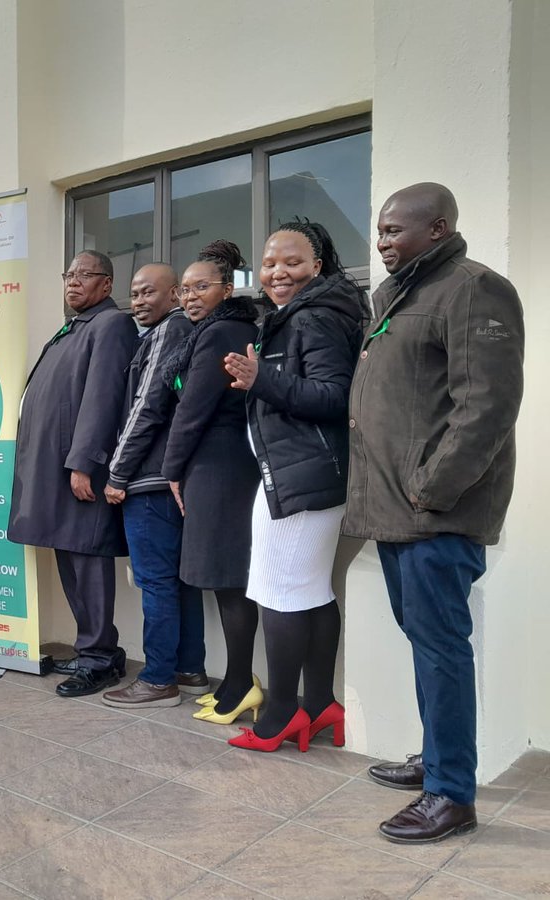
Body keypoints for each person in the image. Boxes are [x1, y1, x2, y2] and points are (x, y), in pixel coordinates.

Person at [343, 183, 524, 844]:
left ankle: (451, 793)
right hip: (399, 510)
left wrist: (431, 489)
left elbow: (487, 406)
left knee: (442, 648)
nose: (384, 242)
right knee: (429, 645)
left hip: (433, 514)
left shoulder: (473, 288)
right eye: (380, 231)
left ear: (438, 227)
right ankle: (438, 759)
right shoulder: (401, 296)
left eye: (395, 231)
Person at [221, 222, 364, 751]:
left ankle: (282, 713)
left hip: (301, 476)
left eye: (293, 262)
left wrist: (262, 380)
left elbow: (333, 396)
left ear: (318, 266)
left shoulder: (317, 317)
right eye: (270, 262)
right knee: (310, 592)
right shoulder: (290, 318)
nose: (278, 272)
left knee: (279, 594)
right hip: (297, 473)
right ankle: (320, 702)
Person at [9, 251, 138, 697]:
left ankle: (100, 659)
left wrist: (84, 462)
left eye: (85, 275)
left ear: (107, 284)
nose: (74, 282)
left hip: (80, 472)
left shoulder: (111, 325)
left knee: (89, 562)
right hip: (55, 472)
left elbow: (103, 398)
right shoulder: (75, 327)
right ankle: (94, 651)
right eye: (70, 275)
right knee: (70, 560)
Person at [159, 240, 261, 726]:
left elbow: (192, 408)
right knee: (225, 581)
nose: (190, 296)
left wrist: (172, 468)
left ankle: (241, 683)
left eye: (202, 287)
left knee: (230, 579)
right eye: (184, 289)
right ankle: (240, 680)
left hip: (221, 466)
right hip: (219, 464)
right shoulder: (216, 328)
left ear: (227, 288)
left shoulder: (224, 331)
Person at [100, 263, 208, 709]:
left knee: (156, 582)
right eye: (135, 293)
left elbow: (147, 405)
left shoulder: (169, 330)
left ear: (175, 296)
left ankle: (159, 678)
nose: (140, 301)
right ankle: (189, 670)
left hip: (148, 481)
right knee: (181, 581)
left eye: (149, 292)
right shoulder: (185, 331)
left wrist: (117, 473)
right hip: (174, 480)